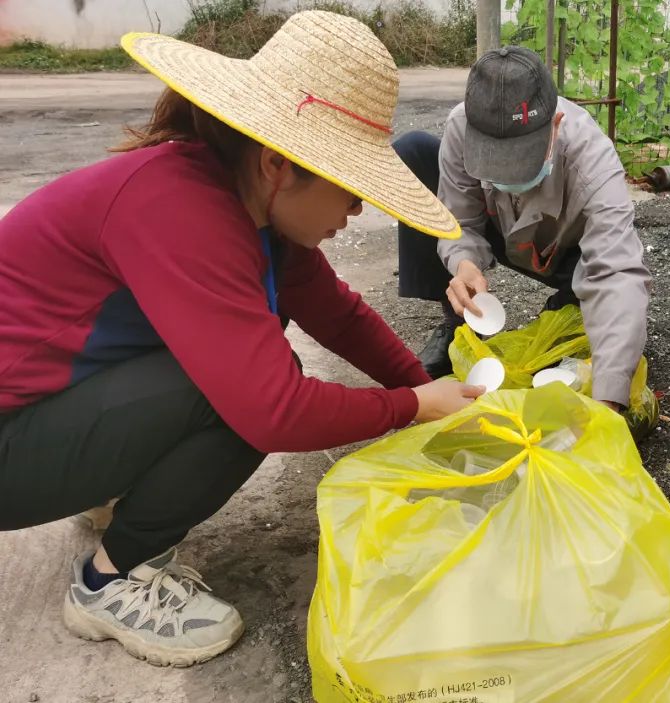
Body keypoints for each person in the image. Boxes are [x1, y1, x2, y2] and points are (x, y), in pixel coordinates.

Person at [0, 11, 483, 667]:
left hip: (43, 406)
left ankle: (105, 484)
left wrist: (423, 385)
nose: (357, 210)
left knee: (241, 351)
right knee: (243, 392)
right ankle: (109, 581)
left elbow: (337, 315)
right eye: (350, 187)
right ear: (279, 165)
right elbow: (273, 410)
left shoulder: (251, 204)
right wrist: (411, 409)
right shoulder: (180, 207)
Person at [392, 46, 651, 412]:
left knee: (603, 319)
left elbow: (617, 273)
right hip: (503, 230)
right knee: (415, 152)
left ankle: (570, 305)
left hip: (564, 253)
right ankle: (458, 321)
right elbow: (459, 221)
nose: (509, 177)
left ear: (556, 125)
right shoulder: (460, 127)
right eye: (494, 163)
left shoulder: (594, 161)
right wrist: (464, 264)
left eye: (521, 160)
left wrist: (609, 401)